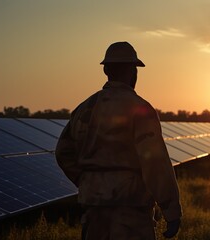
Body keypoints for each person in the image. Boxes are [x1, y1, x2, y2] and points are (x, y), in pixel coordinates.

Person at [55, 41, 182, 240]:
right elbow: (155, 164)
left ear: (106, 70)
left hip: (93, 213)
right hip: (130, 215)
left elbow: (63, 152)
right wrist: (171, 210)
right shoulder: (140, 109)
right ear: (133, 71)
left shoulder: (84, 108)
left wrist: (87, 180)